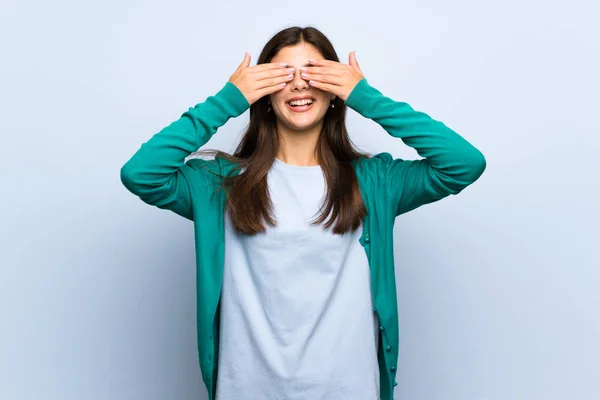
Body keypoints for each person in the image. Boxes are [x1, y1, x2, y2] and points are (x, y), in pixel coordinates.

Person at [120, 26, 486, 400]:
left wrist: (366, 98)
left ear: (334, 92)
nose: (299, 85)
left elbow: (463, 164)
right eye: (283, 75)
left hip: (350, 390)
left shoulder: (376, 182)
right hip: (245, 390)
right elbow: (140, 174)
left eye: (313, 73)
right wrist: (229, 99)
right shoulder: (217, 185)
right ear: (262, 94)